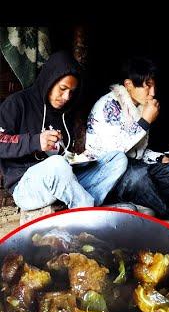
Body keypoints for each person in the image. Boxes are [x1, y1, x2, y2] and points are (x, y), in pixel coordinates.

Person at [0, 51, 128, 211]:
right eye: (62, 88)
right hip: (26, 187)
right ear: (49, 80)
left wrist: (76, 158)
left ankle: (80, 204)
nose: (67, 96)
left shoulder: (64, 112)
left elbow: (62, 159)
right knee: (57, 165)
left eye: (71, 91)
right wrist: (35, 141)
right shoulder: (17, 103)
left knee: (117, 159)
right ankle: (87, 211)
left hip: (62, 178)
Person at [85, 57, 169, 218]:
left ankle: (143, 199)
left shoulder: (139, 106)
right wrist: (145, 122)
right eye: (147, 87)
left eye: (154, 85)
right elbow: (116, 154)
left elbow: (137, 152)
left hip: (135, 171)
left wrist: (160, 157)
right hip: (109, 175)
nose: (153, 93)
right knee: (138, 176)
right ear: (128, 85)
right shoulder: (109, 105)